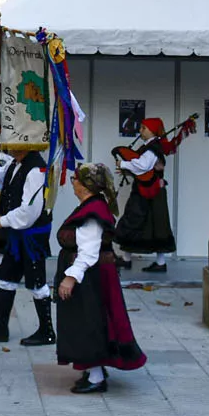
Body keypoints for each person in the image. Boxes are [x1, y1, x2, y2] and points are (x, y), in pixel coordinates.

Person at [54, 162, 146, 394]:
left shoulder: (93, 212)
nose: (72, 183)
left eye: (75, 179)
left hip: (91, 278)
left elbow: (89, 251)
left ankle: (95, 376)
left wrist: (70, 278)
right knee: (91, 321)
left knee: (90, 322)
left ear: (85, 186)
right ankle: (93, 371)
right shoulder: (91, 206)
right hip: (94, 275)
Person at [0, 145, 54, 346]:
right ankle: (1, 327)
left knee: (37, 283)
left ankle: (47, 331)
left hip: (32, 237)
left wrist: (3, 221)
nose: (9, 146)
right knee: (5, 277)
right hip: (17, 235)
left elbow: (30, 212)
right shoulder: (15, 163)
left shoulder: (36, 169)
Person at [114, 118, 178, 273]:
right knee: (146, 223)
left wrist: (123, 164)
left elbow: (143, 166)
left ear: (152, 130)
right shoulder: (151, 147)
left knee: (146, 222)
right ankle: (128, 259)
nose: (140, 130)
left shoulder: (152, 148)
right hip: (148, 191)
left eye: (143, 128)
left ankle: (154, 263)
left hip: (150, 192)